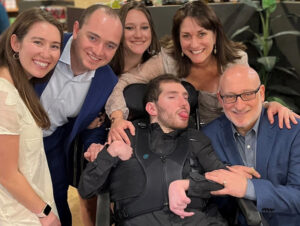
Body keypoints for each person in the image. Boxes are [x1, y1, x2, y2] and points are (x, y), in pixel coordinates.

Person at [105, 0, 298, 145]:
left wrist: (270, 105)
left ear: (215, 35)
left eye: (202, 34)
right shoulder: (169, 60)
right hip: (188, 144)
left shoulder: (237, 60)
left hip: (233, 141)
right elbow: (125, 81)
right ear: (178, 39)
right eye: (186, 36)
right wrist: (118, 117)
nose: (194, 44)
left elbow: (245, 101)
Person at [79, 74, 230, 226]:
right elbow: (86, 189)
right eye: (172, 97)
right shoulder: (126, 136)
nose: (184, 103)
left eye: (185, 98)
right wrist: (110, 153)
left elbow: (224, 180)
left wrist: (188, 185)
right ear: (152, 108)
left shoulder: (196, 139)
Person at [170, 65, 300, 225]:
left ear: (261, 93)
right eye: (230, 97)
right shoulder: (208, 135)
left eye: (247, 94)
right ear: (220, 99)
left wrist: (248, 187)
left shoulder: (293, 130)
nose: (239, 105)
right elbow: (199, 186)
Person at [34, 4, 123, 226]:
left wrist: (94, 146)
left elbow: (94, 127)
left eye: (110, 45)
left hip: (52, 144)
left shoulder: (106, 81)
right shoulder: (48, 44)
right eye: (93, 38)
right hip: (9, 134)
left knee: (56, 208)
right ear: (76, 29)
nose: (99, 51)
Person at [0, 8, 63, 225]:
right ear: (15, 43)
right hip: (15, 215)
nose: (47, 53)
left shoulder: (19, 87)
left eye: (54, 46)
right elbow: (6, 174)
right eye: (38, 42)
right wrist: (46, 214)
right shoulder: (4, 95)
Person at [110, 0, 160, 76]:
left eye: (144, 27)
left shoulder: (159, 68)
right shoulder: (103, 68)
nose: (138, 35)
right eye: (129, 28)